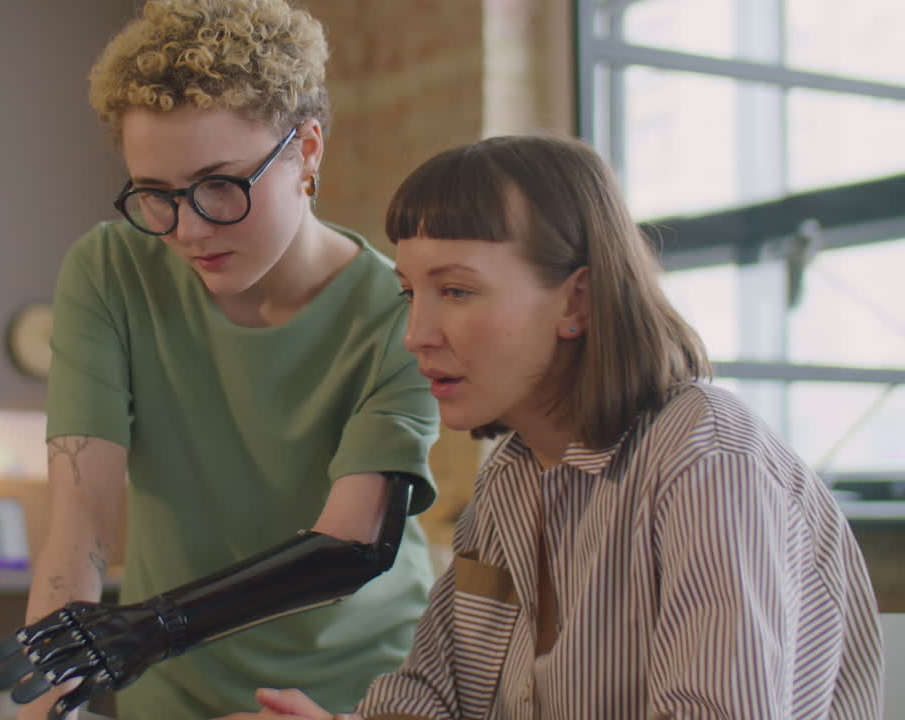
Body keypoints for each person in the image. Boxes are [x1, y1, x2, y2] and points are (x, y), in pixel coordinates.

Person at [217, 134, 885, 719]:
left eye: (456, 291)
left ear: (577, 301)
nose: (416, 335)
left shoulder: (708, 462)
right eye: (409, 293)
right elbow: (431, 697)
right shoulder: (510, 478)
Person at [0, 2, 440, 719]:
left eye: (221, 184)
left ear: (307, 150)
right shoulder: (111, 272)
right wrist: (47, 706)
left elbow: (353, 543)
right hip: (171, 691)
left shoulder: (400, 311)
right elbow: (82, 521)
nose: (189, 230)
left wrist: (150, 629)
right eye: (155, 195)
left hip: (356, 694)